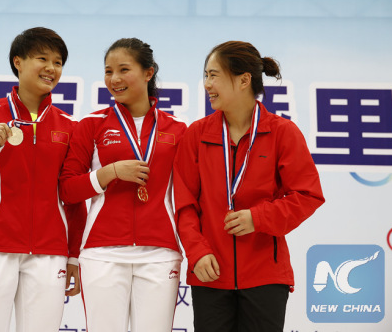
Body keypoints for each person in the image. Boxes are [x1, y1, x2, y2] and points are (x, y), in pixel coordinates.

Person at [173, 41, 325, 332]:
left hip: (266, 275)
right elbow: (184, 203)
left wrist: (259, 218)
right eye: (205, 75)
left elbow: (308, 195)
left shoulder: (282, 132)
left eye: (214, 75)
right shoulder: (197, 135)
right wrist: (197, 251)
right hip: (210, 271)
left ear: (244, 80)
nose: (207, 84)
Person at [0, 27, 86, 332]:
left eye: (59, 62)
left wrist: (74, 255)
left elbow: (74, 197)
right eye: (43, 58)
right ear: (18, 62)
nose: (52, 68)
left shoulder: (70, 126)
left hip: (50, 253)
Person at [59, 38, 186, 332]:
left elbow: (189, 196)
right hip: (102, 253)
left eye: (124, 69)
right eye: (108, 71)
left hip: (160, 253)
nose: (114, 79)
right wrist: (109, 173)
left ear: (148, 72)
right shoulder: (91, 125)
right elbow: (68, 190)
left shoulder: (178, 130)